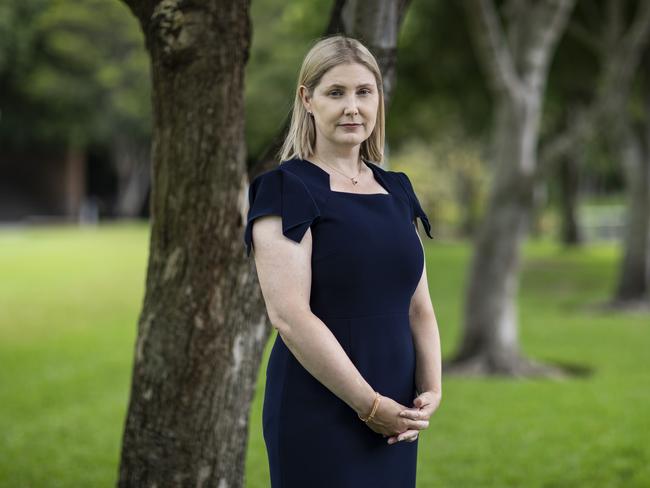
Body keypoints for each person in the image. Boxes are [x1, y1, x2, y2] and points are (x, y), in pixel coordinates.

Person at [243, 34, 442, 488]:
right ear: (307, 100)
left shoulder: (397, 190)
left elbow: (419, 306)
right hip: (320, 409)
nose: (352, 107)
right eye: (336, 93)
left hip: (397, 415)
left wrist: (431, 390)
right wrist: (369, 406)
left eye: (363, 92)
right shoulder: (285, 189)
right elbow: (289, 316)